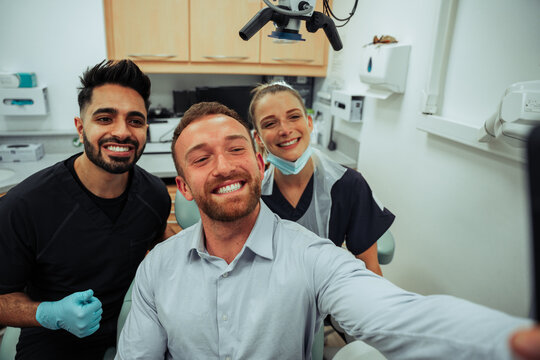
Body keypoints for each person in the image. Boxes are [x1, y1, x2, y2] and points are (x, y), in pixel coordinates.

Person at [116, 101, 531, 360]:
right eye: (201, 158)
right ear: (183, 187)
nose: (224, 166)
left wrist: (508, 342)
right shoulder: (157, 270)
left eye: (236, 148)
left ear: (261, 165)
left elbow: (401, 317)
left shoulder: (313, 257)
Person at [0, 60, 171, 359]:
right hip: (55, 341)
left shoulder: (154, 194)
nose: (122, 132)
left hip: (133, 327)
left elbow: (162, 242)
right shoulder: (24, 205)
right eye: (105, 118)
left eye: (135, 120)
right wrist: (49, 313)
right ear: (80, 128)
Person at [249, 81, 392, 276]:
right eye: (270, 123)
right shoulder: (254, 197)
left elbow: (370, 269)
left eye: (293, 116)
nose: (284, 130)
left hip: (327, 291)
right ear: (258, 138)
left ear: (309, 123)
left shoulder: (348, 185)